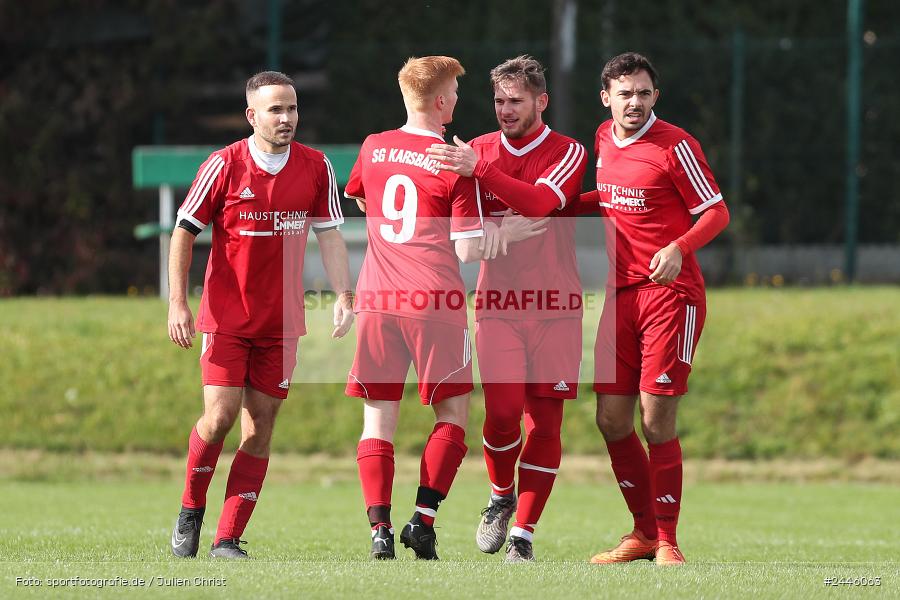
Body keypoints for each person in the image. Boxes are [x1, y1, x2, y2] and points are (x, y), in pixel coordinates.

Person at [167, 71, 354, 560]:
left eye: (292, 108)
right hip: (228, 318)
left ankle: (227, 538)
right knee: (220, 417)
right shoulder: (224, 165)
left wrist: (344, 295)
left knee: (261, 425)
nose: (287, 118)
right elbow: (184, 232)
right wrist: (177, 303)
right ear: (252, 115)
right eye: (275, 109)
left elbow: (330, 233)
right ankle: (191, 507)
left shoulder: (316, 168)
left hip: (282, 323)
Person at [427, 55, 587, 562]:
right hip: (497, 304)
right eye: (498, 100)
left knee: (545, 423)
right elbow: (466, 234)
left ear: (541, 101)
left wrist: (482, 171)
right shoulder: (474, 150)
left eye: (515, 100)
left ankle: (524, 534)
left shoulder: (567, 150)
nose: (505, 110)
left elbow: (541, 203)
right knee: (500, 416)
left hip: (557, 307)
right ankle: (500, 496)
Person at [581, 52, 730, 566]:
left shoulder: (676, 145)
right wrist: (553, 206)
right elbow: (607, 197)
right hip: (620, 295)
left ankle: (668, 540)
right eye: (625, 93)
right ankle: (642, 534)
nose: (635, 102)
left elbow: (716, 211)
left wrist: (679, 247)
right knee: (610, 419)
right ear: (607, 98)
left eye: (644, 93)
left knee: (655, 419)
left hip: (671, 297)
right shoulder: (602, 139)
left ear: (655, 97)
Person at [343, 56, 487, 561]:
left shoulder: (374, 146)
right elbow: (469, 249)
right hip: (434, 299)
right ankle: (422, 521)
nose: (458, 99)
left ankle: (379, 531)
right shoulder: (453, 159)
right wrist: (503, 231)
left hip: (378, 298)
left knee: (377, 419)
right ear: (443, 100)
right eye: (455, 91)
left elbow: (362, 198)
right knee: (452, 415)